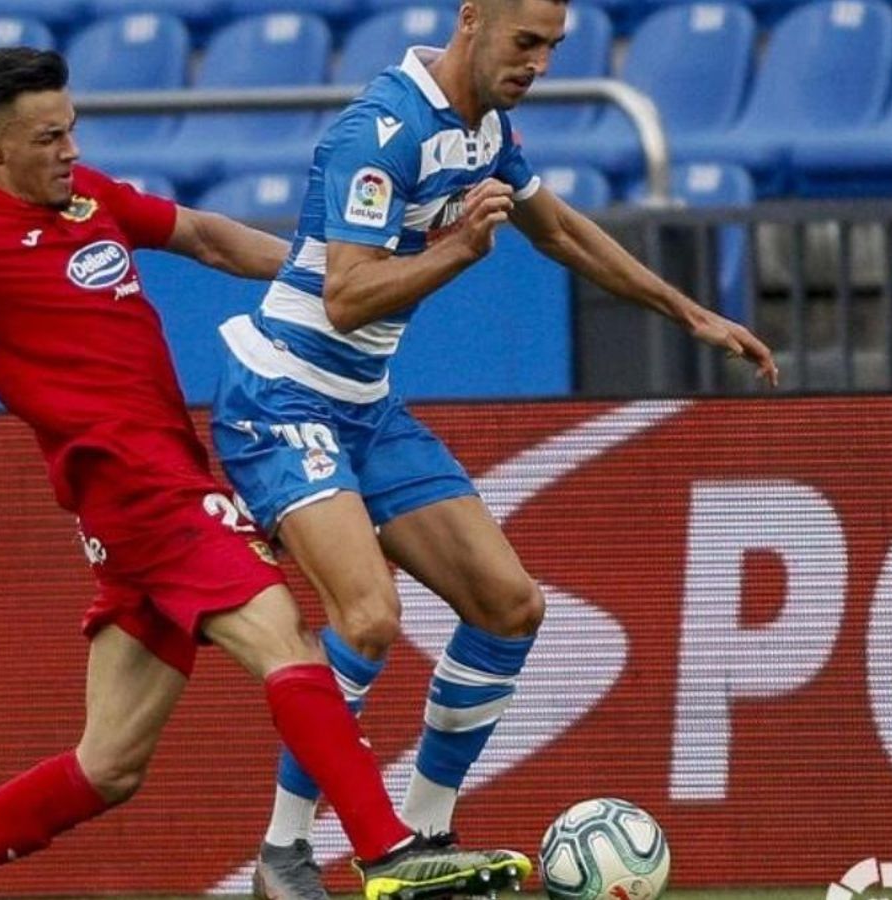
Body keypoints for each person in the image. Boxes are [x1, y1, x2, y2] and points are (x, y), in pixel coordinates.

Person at [0, 47, 531, 900]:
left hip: (140, 510)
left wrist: (318, 275)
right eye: (48, 138)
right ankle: (385, 852)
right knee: (290, 645)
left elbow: (198, 234)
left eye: (72, 129)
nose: (70, 150)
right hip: (143, 494)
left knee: (108, 766)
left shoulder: (92, 202)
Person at [209, 1, 782, 897]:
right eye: (527, 42)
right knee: (366, 615)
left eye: (554, 47)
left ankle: (430, 834)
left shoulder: (485, 130)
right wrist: (461, 248)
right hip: (281, 393)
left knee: (509, 606)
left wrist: (688, 310)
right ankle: (284, 852)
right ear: (473, 20)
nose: (541, 63)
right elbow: (348, 298)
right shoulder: (381, 132)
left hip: (362, 401)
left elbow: (555, 227)